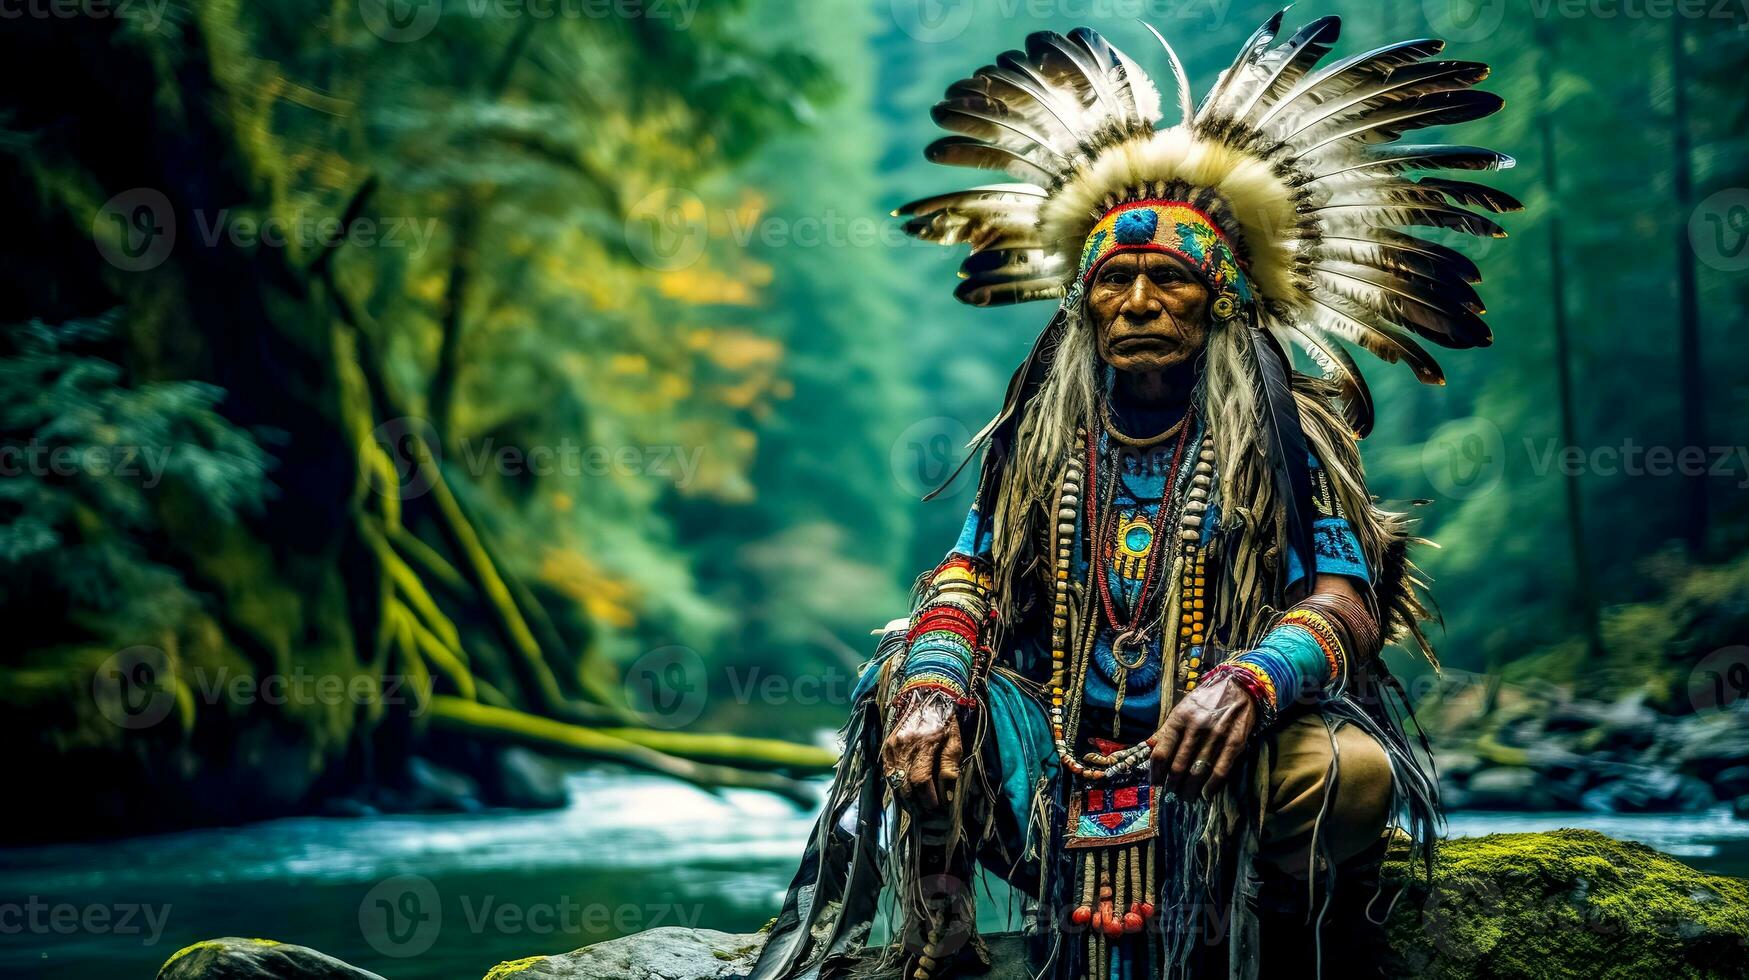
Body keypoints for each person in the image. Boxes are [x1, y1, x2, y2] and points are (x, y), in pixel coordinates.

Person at [747, 12, 1515, 980]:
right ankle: (942, 931)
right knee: (899, 684)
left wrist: (1250, 682)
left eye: (1168, 278)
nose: (1140, 301)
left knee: (1347, 775)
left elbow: (1346, 600)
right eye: (1115, 279)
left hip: (1224, 766)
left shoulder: (1288, 437)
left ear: (1223, 295)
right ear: (1083, 301)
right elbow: (968, 574)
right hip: (1057, 774)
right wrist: (935, 690)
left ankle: (1260, 926)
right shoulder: (1040, 441)